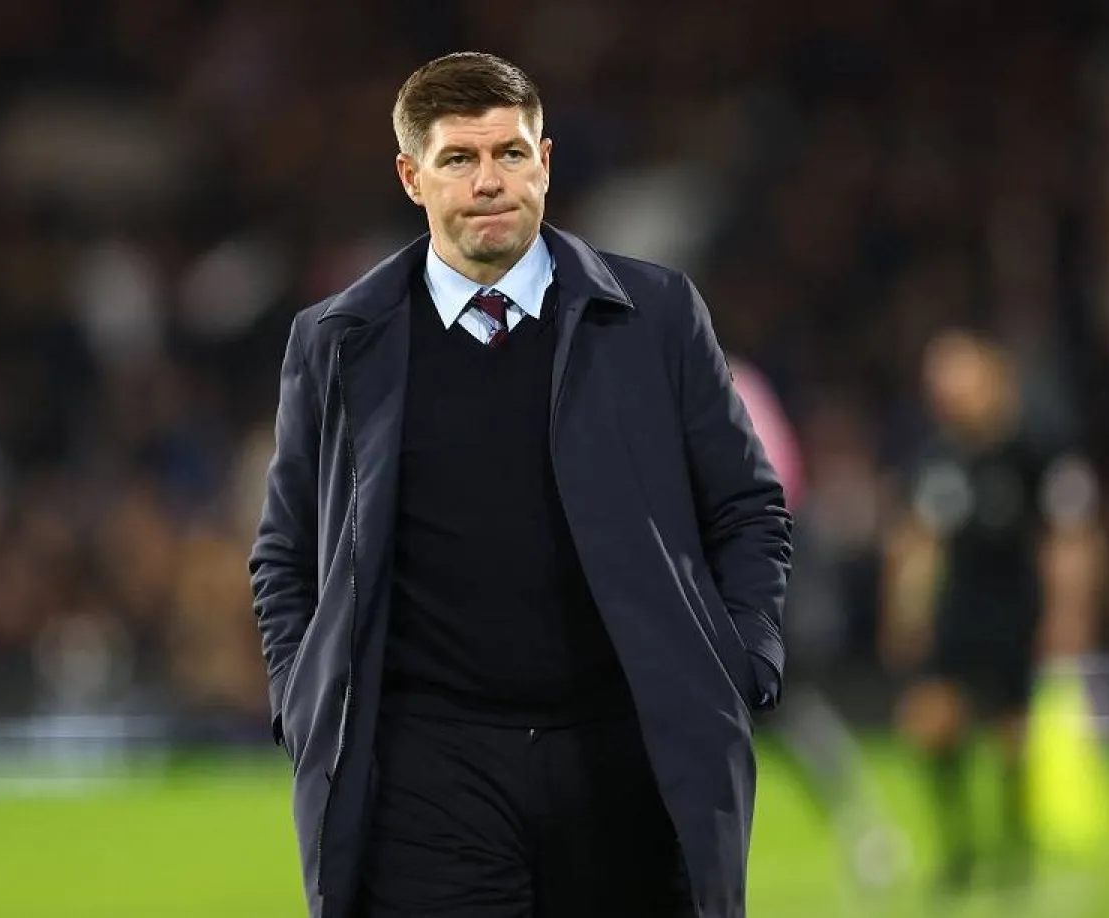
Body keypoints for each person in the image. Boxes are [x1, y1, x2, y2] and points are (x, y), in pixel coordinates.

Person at [249, 52, 792, 918]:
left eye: (509, 152)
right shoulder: (339, 338)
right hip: (428, 769)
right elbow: (283, 553)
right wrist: (301, 698)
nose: (489, 180)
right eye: (459, 159)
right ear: (410, 177)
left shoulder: (656, 316)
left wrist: (744, 656)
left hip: (627, 752)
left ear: (546, 159)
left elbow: (747, 507)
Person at [881, 329, 1104, 897]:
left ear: (990, 376)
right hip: (960, 606)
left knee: (1012, 736)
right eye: (938, 383)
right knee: (930, 724)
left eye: (957, 378)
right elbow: (919, 539)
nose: (946, 393)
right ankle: (961, 849)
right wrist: (906, 610)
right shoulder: (937, 457)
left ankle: (1014, 846)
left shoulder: (1040, 446)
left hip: (1017, 606)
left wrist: (1068, 610)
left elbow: (1070, 533)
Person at [728, 355, 908, 895]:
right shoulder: (703, 377)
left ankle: (867, 832)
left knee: (787, 708)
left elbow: (770, 483)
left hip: (761, 560)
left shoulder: (724, 380)